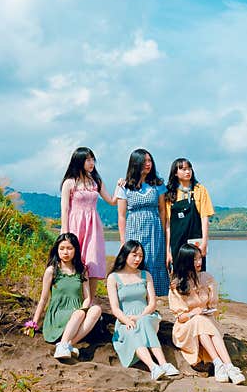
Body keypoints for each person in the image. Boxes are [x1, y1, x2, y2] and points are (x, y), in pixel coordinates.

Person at [168, 243, 245, 384]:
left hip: (207, 322)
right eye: (194, 260)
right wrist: (194, 313)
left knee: (202, 322)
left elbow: (212, 305)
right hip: (185, 327)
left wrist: (206, 310)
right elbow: (180, 317)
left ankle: (223, 365)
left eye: (200, 258)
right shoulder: (177, 284)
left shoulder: (207, 278)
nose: (199, 262)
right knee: (198, 320)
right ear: (186, 261)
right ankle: (226, 365)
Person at [106, 240, 181, 381]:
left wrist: (140, 316)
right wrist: (127, 320)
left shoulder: (145, 275)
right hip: (125, 321)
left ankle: (164, 364)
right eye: (134, 255)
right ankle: (154, 367)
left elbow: (152, 303)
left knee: (144, 322)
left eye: (140, 256)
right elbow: (115, 308)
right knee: (132, 330)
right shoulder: (113, 278)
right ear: (125, 254)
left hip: (148, 316)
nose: (138, 259)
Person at [24, 232, 103, 360]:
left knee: (97, 309)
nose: (65, 252)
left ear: (75, 250)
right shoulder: (52, 271)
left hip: (77, 313)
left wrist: (83, 309)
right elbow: (44, 299)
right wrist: (33, 323)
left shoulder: (82, 270)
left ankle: (66, 344)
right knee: (79, 314)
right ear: (57, 250)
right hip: (58, 314)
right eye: (62, 248)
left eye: (69, 248)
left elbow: (87, 297)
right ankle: (65, 345)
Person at [59, 147, 120, 298]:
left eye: (93, 159)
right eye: (88, 159)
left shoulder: (96, 181)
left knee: (92, 262)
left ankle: (90, 300)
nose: (91, 163)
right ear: (79, 161)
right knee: (73, 261)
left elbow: (112, 201)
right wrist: (65, 234)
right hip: (74, 225)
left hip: (93, 226)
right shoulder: (70, 182)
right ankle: (73, 297)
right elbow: (65, 209)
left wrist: (119, 187)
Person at [115, 148, 169, 296]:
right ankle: (135, 294)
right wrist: (122, 240)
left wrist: (162, 232)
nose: (148, 164)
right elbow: (121, 215)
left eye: (150, 160)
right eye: (144, 161)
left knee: (154, 259)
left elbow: (162, 210)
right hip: (134, 227)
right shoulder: (125, 186)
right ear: (135, 163)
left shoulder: (157, 184)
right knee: (135, 259)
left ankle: (155, 296)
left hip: (154, 227)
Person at [164, 157, 215, 272]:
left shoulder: (200, 190)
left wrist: (204, 243)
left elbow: (204, 218)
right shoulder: (169, 193)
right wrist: (167, 251)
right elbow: (168, 224)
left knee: (198, 275)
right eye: (183, 169)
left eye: (189, 168)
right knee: (179, 276)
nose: (187, 172)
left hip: (195, 240)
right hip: (177, 242)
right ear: (175, 173)